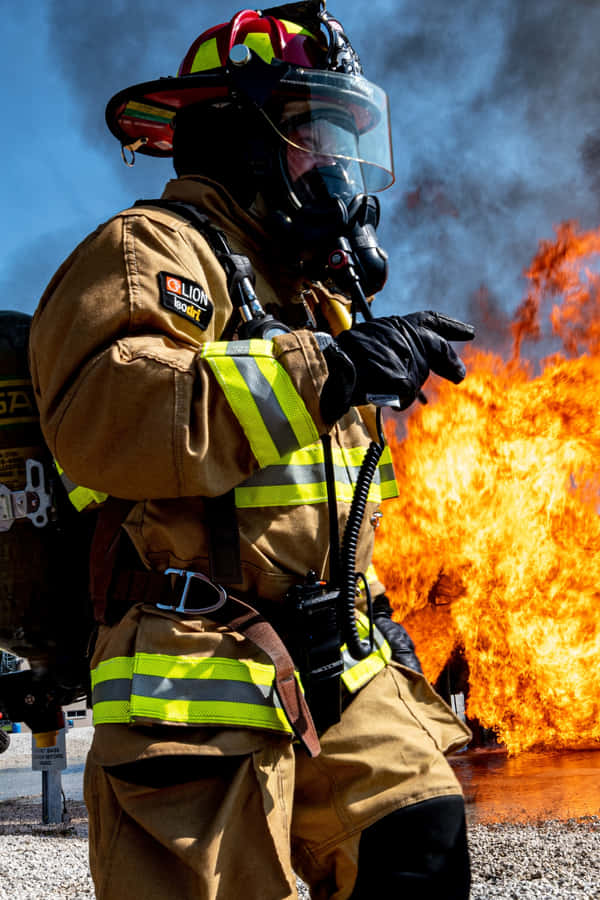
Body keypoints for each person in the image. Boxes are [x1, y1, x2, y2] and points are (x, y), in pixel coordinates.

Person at [29, 3, 475, 898]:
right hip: (193, 671)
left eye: (349, 137)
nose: (340, 167)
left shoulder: (307, 297)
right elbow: (113, 417)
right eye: (316, 132)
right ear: (240, 136)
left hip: (336, 659)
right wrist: (329, 370)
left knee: (419, 838)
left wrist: (382, 621)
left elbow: (329, 504)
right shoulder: (151, 249)